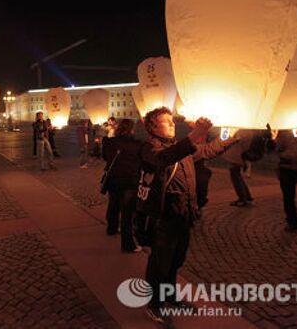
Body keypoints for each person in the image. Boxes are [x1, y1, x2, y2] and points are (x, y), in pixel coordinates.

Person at [137, 107, 238, 325]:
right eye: (166, 121)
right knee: (159, 263)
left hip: (184, 215)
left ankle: (171, 296)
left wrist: (231, 135)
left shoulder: (179, 147)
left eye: (172, 120)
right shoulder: (149, 148)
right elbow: (163, 159)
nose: (172, 124)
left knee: (176, 260)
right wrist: (194, 134)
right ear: (152, 128)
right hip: (163, 218)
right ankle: (154, 305)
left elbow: (209, 150)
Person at [102, 119, 145, 252]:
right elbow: (143, 162)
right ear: (132, 130)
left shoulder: (109, 142)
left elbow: (105, 157)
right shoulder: (138, 144)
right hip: (129, 181)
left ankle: (111, 228)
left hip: (113, 179)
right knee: (127, 214)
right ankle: (128, 245)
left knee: (113, 204)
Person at [221, 129, 259, 207]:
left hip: (235, 155)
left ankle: (242, 198)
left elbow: (225, 138)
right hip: (238, 155)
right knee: (238, 177)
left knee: (235, 177)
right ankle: (247, 197)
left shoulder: (239, 131)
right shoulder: (248, 131)